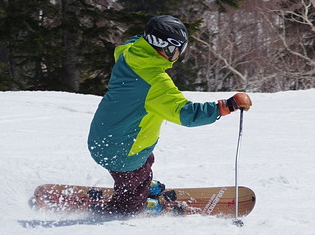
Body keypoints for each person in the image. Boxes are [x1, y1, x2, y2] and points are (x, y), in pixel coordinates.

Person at [87, 15, 252, 216]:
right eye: (179, 49)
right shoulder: (155, 81)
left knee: (145, 160)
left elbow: (135, 39)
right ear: (168, 48)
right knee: (132, 192)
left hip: (105, 136)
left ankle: (142, 182)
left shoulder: (129, 52)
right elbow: (185, 114)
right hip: (122, 152)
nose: (180, 54)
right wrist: (226, 106)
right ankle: (132, 204)